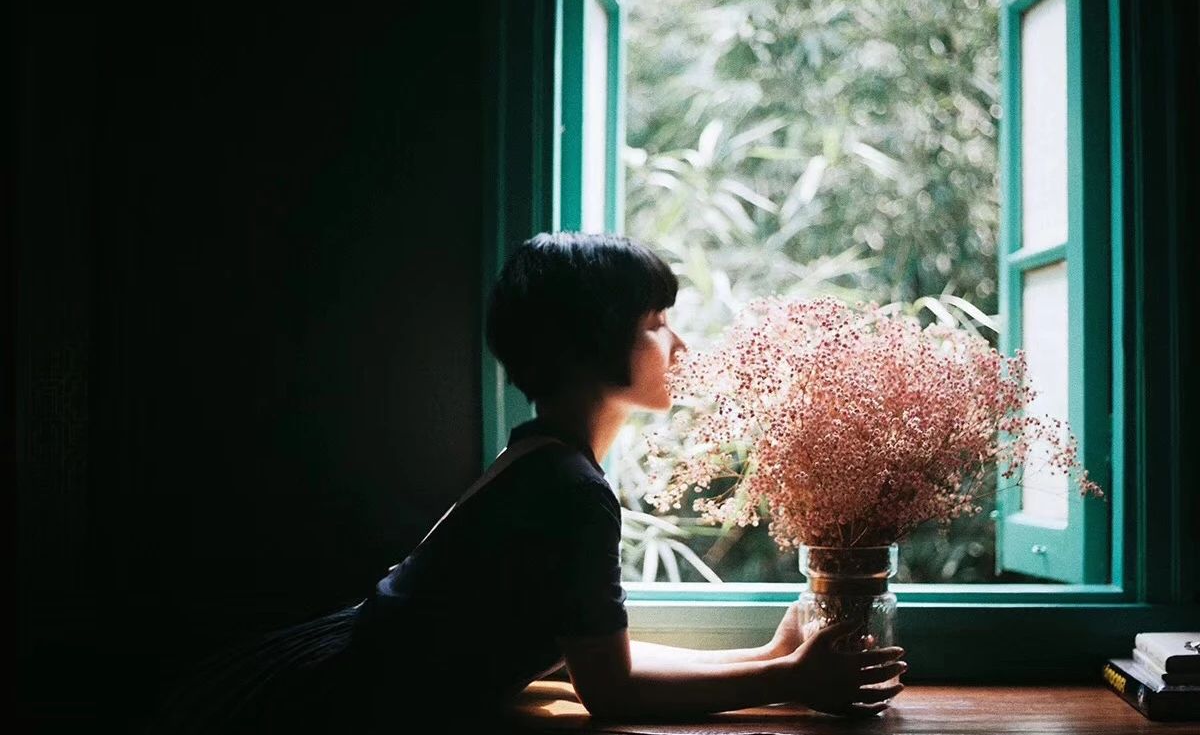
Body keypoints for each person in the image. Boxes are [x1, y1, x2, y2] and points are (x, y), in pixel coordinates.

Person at [144, 231, 906, 733]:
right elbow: (613, 691)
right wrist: (784, 677)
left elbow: (593, 657)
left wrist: (769, 662)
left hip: (341, 684)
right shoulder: (570, 491)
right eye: (655, 320)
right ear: (592, 339)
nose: (678, 342)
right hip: (344, 712)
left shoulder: (541, 459)